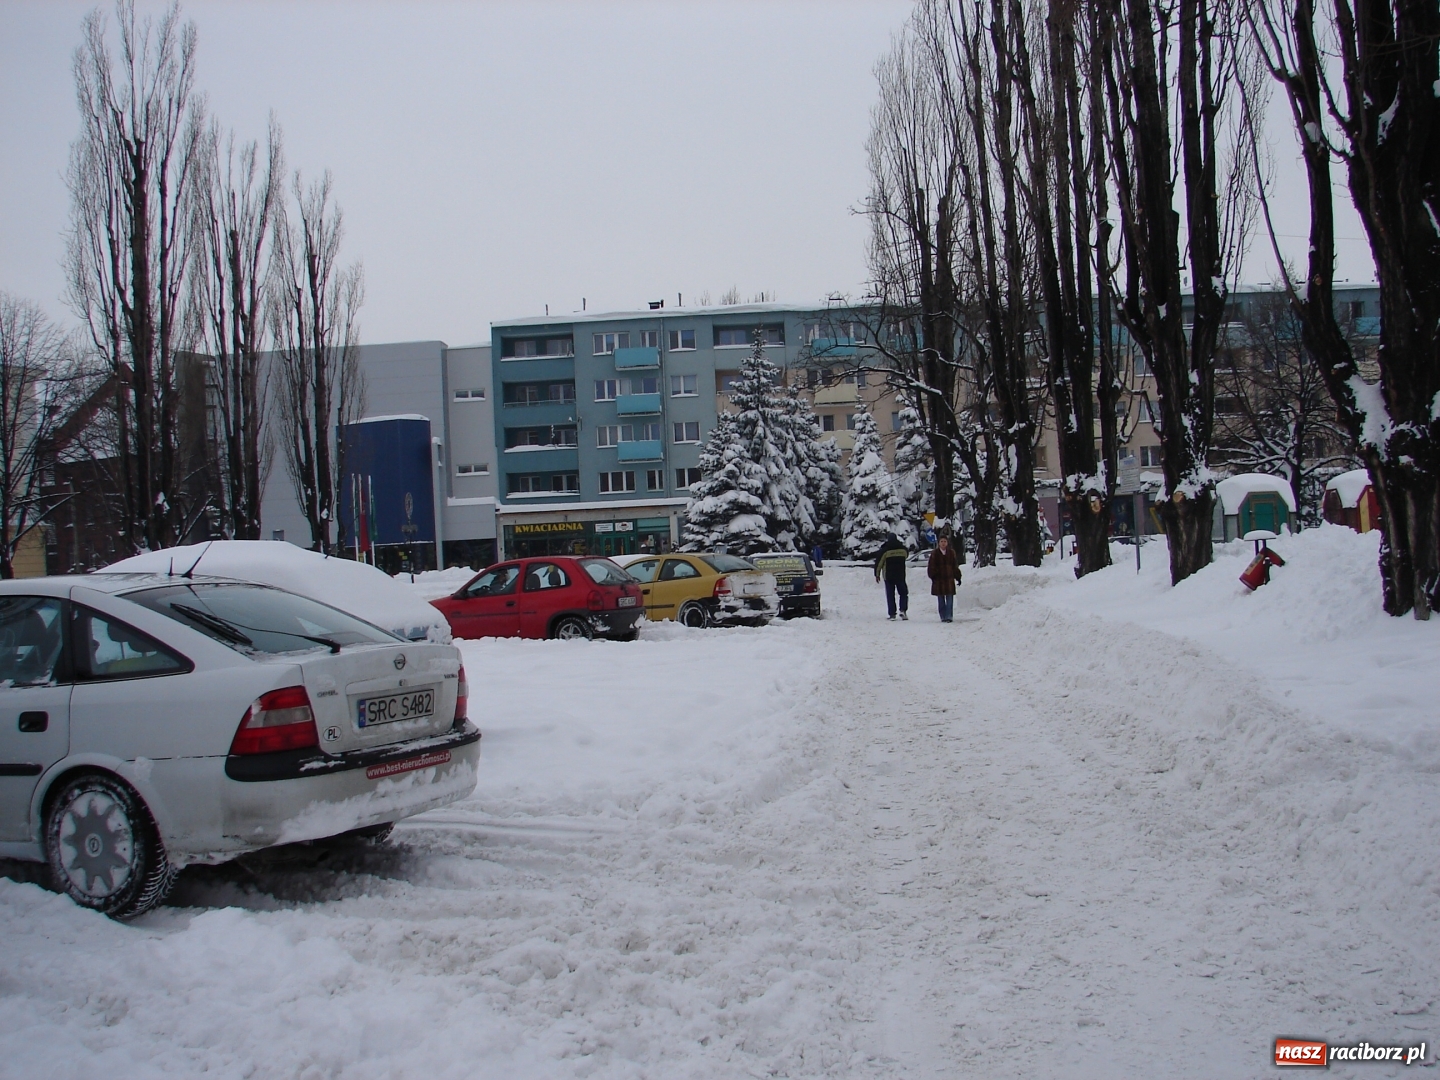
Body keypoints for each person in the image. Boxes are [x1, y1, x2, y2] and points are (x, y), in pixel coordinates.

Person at [873, 533, 910, 620]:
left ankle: (892, 614)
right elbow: (906, 555)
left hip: (888, 576)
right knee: (903, 593)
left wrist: (877, 575)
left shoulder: (885, 550)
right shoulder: (903, 550)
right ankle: (903, 610)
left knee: (890, 595)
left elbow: (879, 563)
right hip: (900, 575)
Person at [927, 534, 960, 622]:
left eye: (945, 541)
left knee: (950, 599)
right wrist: (933, 576)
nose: (943, 543)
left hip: (949, 580)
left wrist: (958, 576)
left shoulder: (951, 553)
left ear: (947, 542)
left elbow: (954, 566)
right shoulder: (934, 553)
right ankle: (943, 616)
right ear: (939, 543)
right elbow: (931, 566)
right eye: (941, 541)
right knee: (941, 600)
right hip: (939, 581)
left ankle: (949, 616)